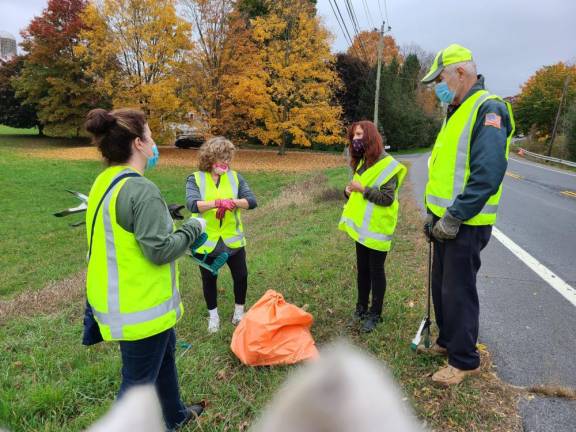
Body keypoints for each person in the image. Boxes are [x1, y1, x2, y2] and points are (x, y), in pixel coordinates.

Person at [84, 108, 206, 430]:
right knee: (136, 387)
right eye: (150, 138)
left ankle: (174, 416)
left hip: (127, 302)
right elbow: (160, 250)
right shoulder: (142, 189)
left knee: (165, 361)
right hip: (140, 308)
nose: (154, 145)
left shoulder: (105, 181)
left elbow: (126, 223)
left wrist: (162, 213)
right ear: (138, 143)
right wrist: (194, 227)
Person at [420, 44, 515, 385]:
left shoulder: (488, 108)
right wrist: (434, 215)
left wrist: (454, 216)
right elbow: (446, 172)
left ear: (461, 73)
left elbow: (487, 174)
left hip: (466, 222)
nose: (438, 88)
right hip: (446, 221)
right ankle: (448, 341)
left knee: (458, 290)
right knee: (443, 286)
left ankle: (464, 360)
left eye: (440, 79)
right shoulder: (455, 110)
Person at [338, 120, 407, 333]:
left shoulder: (389, 165)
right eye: (353, 137)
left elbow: (386, 198)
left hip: (378, 230)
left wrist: (362, 189)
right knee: (362, 270)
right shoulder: (362, 162)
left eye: (359, 135)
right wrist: (348, 192)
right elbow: (356, 192)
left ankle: (375, 314)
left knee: (376, 272)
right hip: (361, 230)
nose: (355, 140)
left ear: (370, 137)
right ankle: (360, 308)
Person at [186, 137, 257, 333]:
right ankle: (213, 317)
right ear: (209, 157)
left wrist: (233, 202)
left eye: (228, 157)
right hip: (206, 242)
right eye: (221, 157)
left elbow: (251, 201)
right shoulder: (195, 179)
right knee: (209, 279)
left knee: (241, 276)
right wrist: (217, 203)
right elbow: (192, 204)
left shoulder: (235, 177)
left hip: (232, 241)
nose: (225, 162)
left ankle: (239, 312)